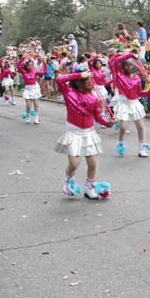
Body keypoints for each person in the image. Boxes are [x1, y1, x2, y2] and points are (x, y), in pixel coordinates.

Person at [54, 68, 113, 199]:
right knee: (74, 163)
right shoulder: (68, 92)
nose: (91, 82)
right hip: (73, 133)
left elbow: (98, 117)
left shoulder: (93, 97)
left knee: (92, 164)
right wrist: (79, 74)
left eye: (90, 80)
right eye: (87, 80)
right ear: (79, 82)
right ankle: (67, 181)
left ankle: (89, 189)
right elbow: (59, 79)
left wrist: (107, 123)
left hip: (89, 133)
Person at [109, 51, 150, 157]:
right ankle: (120, 142)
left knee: (141, 127)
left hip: (134, 103)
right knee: (123, 127)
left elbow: (140, 93)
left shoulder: (136, 78)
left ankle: (141, 149)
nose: (128, 67)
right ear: (122, 67)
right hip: (123, 103)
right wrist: (130, 55)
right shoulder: (119, 75)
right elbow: (115, 61)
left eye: (130, 64)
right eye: (126, 65)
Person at [18, 56, 46, 124]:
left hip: (34, 89)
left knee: (36, 105)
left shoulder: (35, 71)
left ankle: (36, 118)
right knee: (28, 105)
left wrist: (45, 63)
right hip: (27, 89)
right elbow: (18, 65)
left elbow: (44, 72)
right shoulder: (24, 72)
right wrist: (23, 58)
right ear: (26, 66)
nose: (30, 66)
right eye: (29, 65)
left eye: (32, 65)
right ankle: (28, 116)